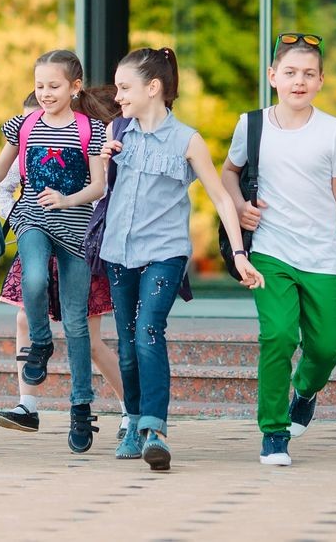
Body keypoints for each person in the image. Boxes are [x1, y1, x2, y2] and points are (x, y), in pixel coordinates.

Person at [100, 47, 263, 471]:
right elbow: (98, 189)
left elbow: (223, 199)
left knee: (149, 330)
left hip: (165, 252)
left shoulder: (187, 140)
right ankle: (134, 420)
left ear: (153, 88)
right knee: (128, 340)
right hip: (118, 252)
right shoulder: (118, 131)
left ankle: (155, 429)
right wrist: (101, 159)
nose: (117, 96)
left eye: (124, 87)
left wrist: (240, 254)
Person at [222, 33, 336, 467]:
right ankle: (273, 432)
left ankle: (305, 390)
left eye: (308, 74)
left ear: (321, 80)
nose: (298, 81)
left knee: (326, 349)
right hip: (269, 250)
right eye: (290, 73)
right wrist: (241, 205)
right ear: (272, 76)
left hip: (321, 253)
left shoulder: (334, 130)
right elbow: (229, 173)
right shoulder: (252, 124)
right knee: (278, 335)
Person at [0, 50, 111, 453]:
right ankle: (39, 342)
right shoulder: (24, 125)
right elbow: (1, 169)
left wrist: (68, 200)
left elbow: (99, 187)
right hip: (33, 219)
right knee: (32, 279)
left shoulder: (93, 130)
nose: (45, 93)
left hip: (76, 230)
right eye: (39, 86)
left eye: (54, 86)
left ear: (75, 87)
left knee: (76, 323)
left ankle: (81, 407)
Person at [0, 89, 128, 439]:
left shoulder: (90, 142)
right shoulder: (26, 134)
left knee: (87, 337)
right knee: (25, 317)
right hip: (37, 238)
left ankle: (133, 407)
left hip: (78, 242)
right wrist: (24, 223)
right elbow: (4, 186)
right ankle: (28, 405)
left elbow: (103, 193)